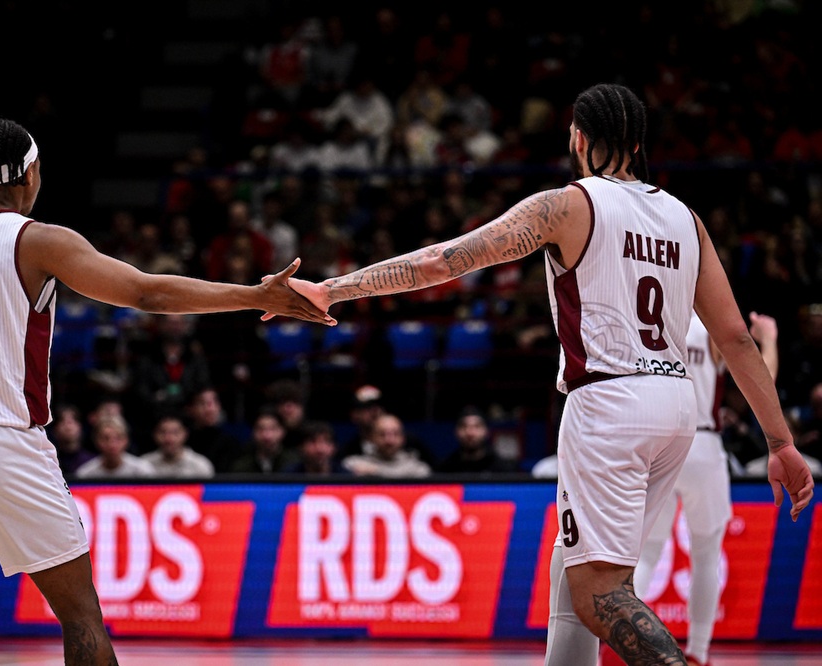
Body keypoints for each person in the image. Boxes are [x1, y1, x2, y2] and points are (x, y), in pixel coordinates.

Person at [281, 83, 814, 665]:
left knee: (601, 594)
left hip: (609, 402)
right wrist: (780, 441)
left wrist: (333, 289)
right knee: (572, 571)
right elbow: (736, 338)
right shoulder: (686, 219)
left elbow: (441, 261)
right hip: (677, 407)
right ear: (638, 145)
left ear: (578, 138)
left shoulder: (567, 205)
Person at [0, 118, 332, 666]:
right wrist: (253, 295)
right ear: (30, 173)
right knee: (80, 616)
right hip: (2, 437)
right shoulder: (39, 241)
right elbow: (147, 294)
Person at [622, 311, 780, 666]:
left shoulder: (650, 311)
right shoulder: (710, 320)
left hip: (657, 442)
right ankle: (698, 652)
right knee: (706, 554)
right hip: (702, 443)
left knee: (645, 553)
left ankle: (622, 644)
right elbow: (762, 380)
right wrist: (769, 339)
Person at [342, 413, 432, 479]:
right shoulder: (354, 464)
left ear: (403, 438)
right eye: (382, 434)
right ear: (372, 438)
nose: (389, 441)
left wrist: (376, 472)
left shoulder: (417, 468)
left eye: (395, 434)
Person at [73, 413, 156, 480]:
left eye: (118, 438)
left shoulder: (142, 471)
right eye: (105, 438)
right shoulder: (85, 474)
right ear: (96, 440)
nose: (112, 444)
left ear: (126, 440)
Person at [140, 413, 214, 479]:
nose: (169, 439)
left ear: (185, 434)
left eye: (175, 432)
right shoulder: (144, 464)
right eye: (163, 432)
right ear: (154, 434)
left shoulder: (200, 465)